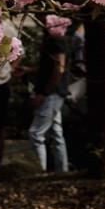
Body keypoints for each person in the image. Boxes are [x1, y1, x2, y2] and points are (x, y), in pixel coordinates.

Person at [28, 21, 70, 173]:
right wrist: (28, 70)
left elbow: (59, 68)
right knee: (57, 133)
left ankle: (39, 173)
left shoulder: (57, 37)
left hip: (53, 93)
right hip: (52, 92)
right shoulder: (49, 35)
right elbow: (49, 67)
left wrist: (44, 93)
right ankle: (62, 171)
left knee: (36, 133)